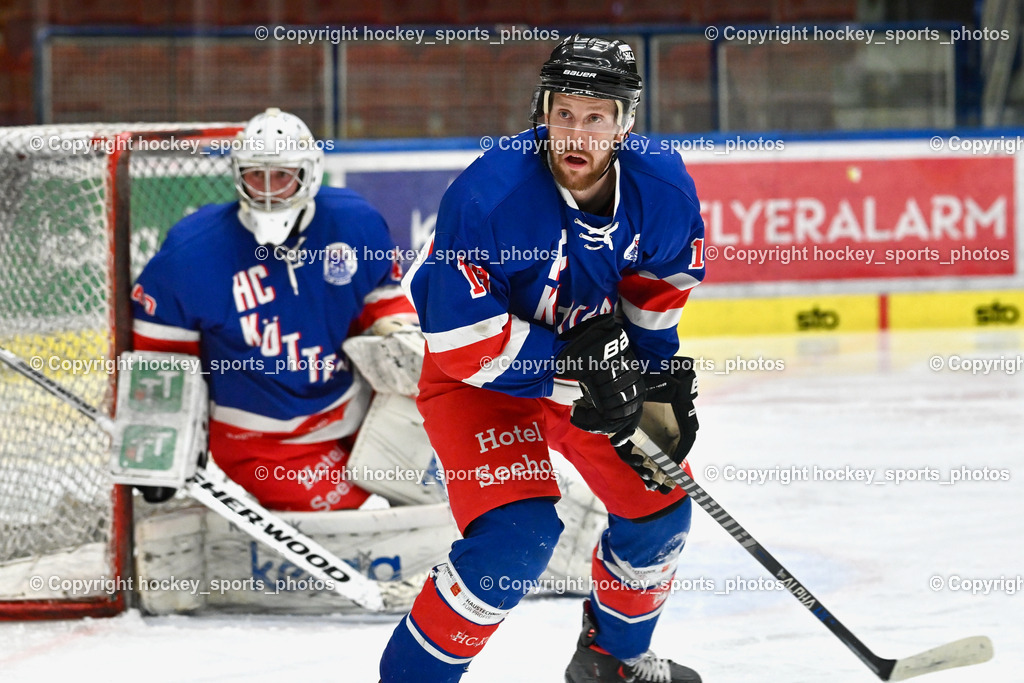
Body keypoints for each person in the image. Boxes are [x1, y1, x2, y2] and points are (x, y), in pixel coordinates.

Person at [378, 35, 706, 683]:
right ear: (542, 112)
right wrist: (576, 366)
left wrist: (654, 372)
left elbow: (658, 286)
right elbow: (460, 342)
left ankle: (612, 661)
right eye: (564, 114)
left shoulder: (662, 186)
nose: (576, 134)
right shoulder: (488, 197)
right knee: (515, 541)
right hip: (480, 383)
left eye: (596, 117)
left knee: (661, 501)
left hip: (586, 375)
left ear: (625, 123)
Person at [130, 108, 416, 511]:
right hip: (264, 445)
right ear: (237, 174)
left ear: (309, 173)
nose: (267, 190)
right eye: (255, 175)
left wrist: (398, 329)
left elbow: (381, 295)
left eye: (281, 175)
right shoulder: (191, 255)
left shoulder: (354, 223)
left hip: (358, 412)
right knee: (371, 523)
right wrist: (155, 444)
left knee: (428, 500)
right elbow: (159, 363)